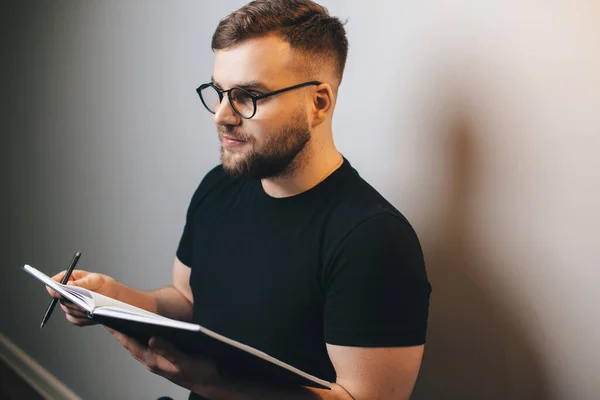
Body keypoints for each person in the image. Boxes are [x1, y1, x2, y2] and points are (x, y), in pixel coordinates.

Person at [47, 0, 432, 399]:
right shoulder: (220, 186)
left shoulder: (373, 240)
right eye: (218, 92)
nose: (221, 114)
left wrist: (210, 384)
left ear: (318, 102)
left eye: (247, 95)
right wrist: (113, 298)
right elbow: (188, 301)